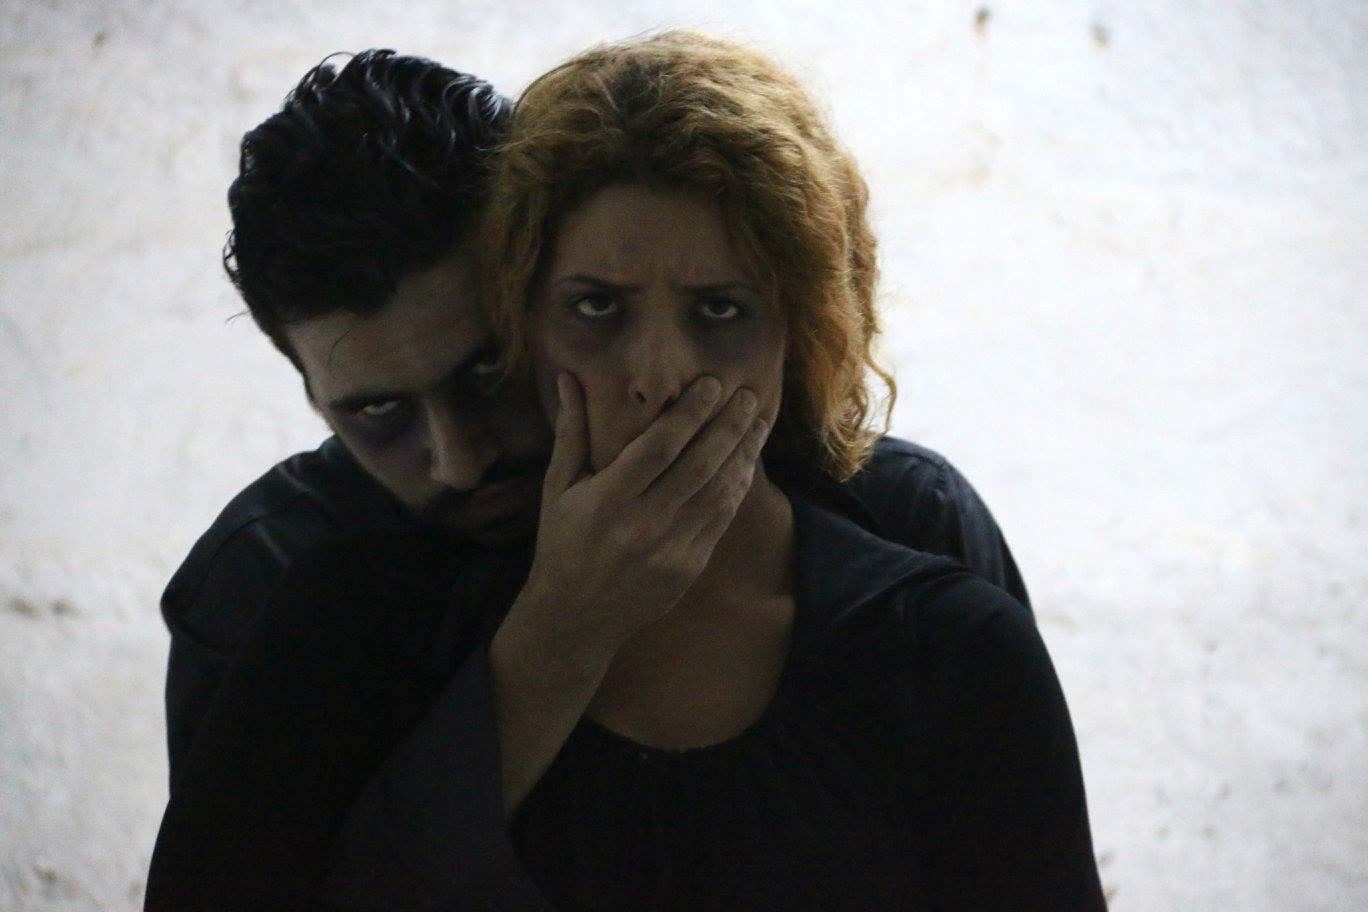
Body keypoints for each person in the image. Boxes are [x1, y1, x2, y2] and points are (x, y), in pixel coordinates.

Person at [143, 45, 1040, 911]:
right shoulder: (273, 578)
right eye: (377, 413)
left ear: (533, 289)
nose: (460, 459)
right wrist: (560, 632)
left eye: (487, 372)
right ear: (311, 393)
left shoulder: (894, 522)